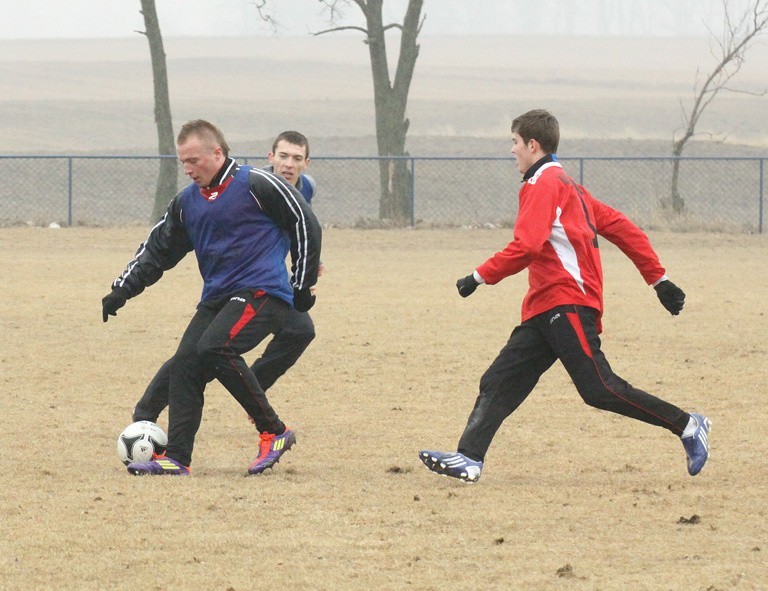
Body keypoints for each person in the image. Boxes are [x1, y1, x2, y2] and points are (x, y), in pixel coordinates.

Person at [419, 109, 711, 483]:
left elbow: (526, 246)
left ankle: (688, 425)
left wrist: (477, 277)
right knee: (499, 379)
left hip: (567, 303)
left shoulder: (544, 184)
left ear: (533, 145)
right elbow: (624, 228)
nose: (512, 150)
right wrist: (659, 280)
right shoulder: (568, 186)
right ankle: (469, 459)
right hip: (545, 308)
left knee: (599, 388)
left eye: (515, 143)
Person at [102, 120, 322, 476]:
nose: (188, 169)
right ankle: (177, 458)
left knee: (216, 347)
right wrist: (123, 289)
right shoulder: (187, 202)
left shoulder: (256, 183)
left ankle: (274, 431)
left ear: (217, 153)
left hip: (263, 289)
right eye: (183, 162)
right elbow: (158, 250)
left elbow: (304, 223)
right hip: (218, 295)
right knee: (187, 362)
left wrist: (301, 283)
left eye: (194, 161)